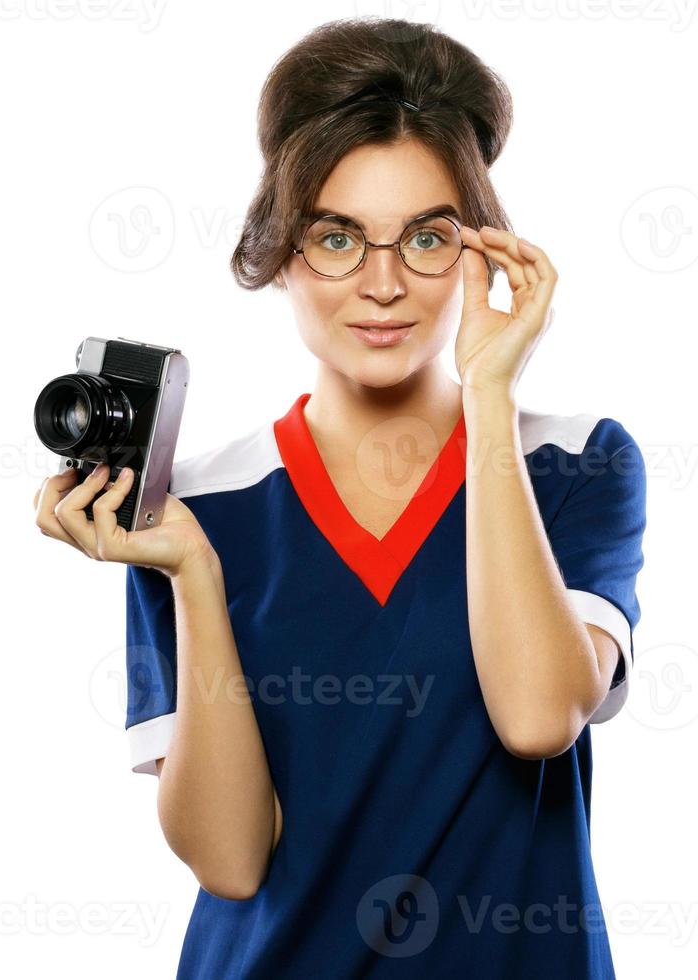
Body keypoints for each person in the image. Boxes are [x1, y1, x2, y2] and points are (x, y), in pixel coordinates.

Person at [32, 16, 648, 978]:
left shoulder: (576, 465)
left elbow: (537, 718)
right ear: (280, 252)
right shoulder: (200, 508)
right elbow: (231, 862)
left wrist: (490, 394)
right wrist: (192, 570)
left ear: (481, 254)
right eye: (337, 239)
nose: (386, 284)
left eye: (428, 237)